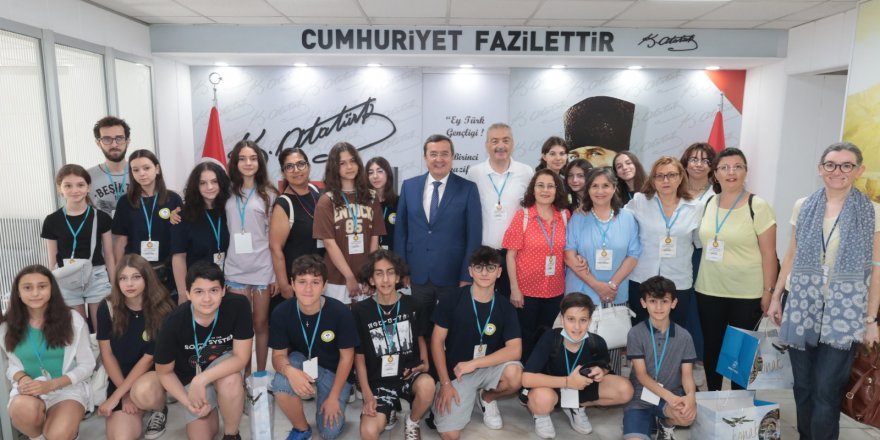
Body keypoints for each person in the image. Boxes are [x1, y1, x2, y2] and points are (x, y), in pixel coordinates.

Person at [768, 142, 880, 440]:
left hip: (845, 311)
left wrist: (871, 320)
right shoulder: (804, 205)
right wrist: (776, 297)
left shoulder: (872, 212)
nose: (837, 171)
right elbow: (790, 255)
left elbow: (877, 268)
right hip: (801, 304)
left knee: (826, 388)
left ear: (858, 170)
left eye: (846, 165)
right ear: (820, 169)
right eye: (830, 164)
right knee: (803, 386)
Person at [694, 148, 777, 392]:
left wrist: (769, 292)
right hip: (709, 289)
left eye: (737, 167)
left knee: (741, 354)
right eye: (724, 167)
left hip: (746, 293)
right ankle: (714, 400)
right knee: (712, 348)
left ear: (745, 172)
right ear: (715, 174)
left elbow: (769, 254)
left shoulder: (757, 205)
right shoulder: (709, 203)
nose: (731, 172)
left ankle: (740, 406)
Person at [154, 262, 253, 440]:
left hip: (221, 371)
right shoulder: (173, 322)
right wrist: (188, 402)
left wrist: (201, 380)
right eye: (199, 291)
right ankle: (214, 403)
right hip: (191, 378)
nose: (207, 299)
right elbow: (164, 372)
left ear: (223, 290)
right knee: (200, 436)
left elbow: (241, 358)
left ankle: (231, 435)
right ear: (188, 294)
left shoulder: (238, 306)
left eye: (213, 290)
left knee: (230, 381)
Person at [431, 246, 523, 439]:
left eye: (490, 268)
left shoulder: (505, 306)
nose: (484, 273)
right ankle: (452, 395)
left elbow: (515, 350)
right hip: (457, 373)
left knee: (515, 375)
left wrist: (474, 363)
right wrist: (445, 383)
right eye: (479, 267)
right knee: (450, 434)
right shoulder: (452, 298)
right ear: (470, 271)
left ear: (499, 272)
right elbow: (436, 342)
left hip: (487, 367)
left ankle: (487, 398)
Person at [269, 255, 358, 440]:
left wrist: (333, 397)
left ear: (324, 285)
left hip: (334, 371)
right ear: (292, 284)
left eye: (315, 282)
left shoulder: (340, 312)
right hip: (301, 361)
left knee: (329, 432)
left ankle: (338, 394)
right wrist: (290, 372)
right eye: (302, 282)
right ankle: (302, 429)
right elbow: (277, 356)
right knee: (281, 383)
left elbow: (347, 358)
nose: (308, 289)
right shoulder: (281, 312)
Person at [394, 134, 482, 321]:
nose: (439, 159)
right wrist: (402, 270)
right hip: (417, 274)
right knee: (419, 326)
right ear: (425, 157)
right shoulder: (409, 186)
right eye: (433, 154)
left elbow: (474, 236)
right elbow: (401, 232)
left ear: (452, 157)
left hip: (453, 274)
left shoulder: (468, 189)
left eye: (444, 154)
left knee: (451, 325)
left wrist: (467, 274)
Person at [1, 265, 95, 440]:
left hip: (66, 389)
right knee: (22, 409)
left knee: (58, 435)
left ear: (52, 289)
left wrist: (51, 385)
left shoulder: (72, 319)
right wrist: (23, 378)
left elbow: (87, 365)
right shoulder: (6, 326)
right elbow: (11, 366)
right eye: (27, 287)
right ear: (18, 293)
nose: (35, 293)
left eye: (42, 286)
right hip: (30, 392)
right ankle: (37, 437)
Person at [523, 294, 633, 439]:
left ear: (590, 321)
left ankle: (576, 406)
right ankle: (541, 415)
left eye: (583, 320)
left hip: (581, 388)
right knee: (542, 399)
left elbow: (605, 365)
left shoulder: (596, 341)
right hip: (551, 388)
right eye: (571, 319)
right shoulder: (550, 338)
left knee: (625, 389)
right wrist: (568, 382)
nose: (577, 326)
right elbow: (526, 379)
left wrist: (601, 371)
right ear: (562, 319)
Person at [565, 167, 641, 373]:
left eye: (605, 185)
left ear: (614, 188)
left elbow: (634, 254)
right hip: (582, 292)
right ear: (588, 189)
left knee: (611, 348)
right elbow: (569, 254)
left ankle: (610, 385)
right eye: (595, 186)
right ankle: (577, 388)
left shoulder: (627, 218)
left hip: (614, 294)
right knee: (578, 348)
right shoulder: (578, 217)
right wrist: (597, 285)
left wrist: (611, 285)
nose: (600, 191)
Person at [353, 250, 434, 440]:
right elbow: (359, 356)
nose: (385, 279)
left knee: (428, 385)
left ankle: (412, 421)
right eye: (379, 273)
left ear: (398, 276)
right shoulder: (360, 311)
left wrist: (425, 364)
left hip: (408, 375)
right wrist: (367, 394)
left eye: (390, 272)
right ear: (371, 279)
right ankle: (388, 410)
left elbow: (420, 337)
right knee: (369, 432)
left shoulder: (413, 305)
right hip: (379, 382)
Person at [96, 255, 174, 440]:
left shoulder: (163, 309)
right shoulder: (107, 307)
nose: (129, 284)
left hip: (152, 376)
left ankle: (158, 408)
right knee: (121, 437)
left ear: (147, 278)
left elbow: (148, 359)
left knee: (143, 392)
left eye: (136, 277)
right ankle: (136, 400)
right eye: (123, 278)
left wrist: (117, 397)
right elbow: (107, 355)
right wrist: (123, 395)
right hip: (119, 377)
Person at [502, 169, 569, 360]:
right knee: (525, 338)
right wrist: (514, 289)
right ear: (533, 189)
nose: (545, 190)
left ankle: (541, 373)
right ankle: (523, 374)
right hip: (526, 292)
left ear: (557, 190)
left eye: (550, 186)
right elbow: (510, 256)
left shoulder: (564, 216)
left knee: (548, 338)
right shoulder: (522, 217)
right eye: (540, 185)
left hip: (555, 291)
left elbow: (569, 251)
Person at [625, 156, 700, 326]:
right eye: (659, 176)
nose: (665, 180)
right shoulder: (640, 201)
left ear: (681, 177)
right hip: (643, 279)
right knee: (641, 332)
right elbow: (616, 218)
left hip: (678, 282)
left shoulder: (695, 207)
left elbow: (699, 241)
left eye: (671, 175)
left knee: (674, 333)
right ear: (653, 180)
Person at [224, 140, 278, 373]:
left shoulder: (270, 194)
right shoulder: (226, 192)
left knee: (261, 323)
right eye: (243, 158)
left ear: (260, 162)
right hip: (235, 269)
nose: (248, 163)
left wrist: (275, 274)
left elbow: (274, 237)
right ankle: (244, 375)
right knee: (242, 327)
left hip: (263, 269)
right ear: (235, 163)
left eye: (253, 158)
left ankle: (260, 374)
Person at [623, 275, 697, 440]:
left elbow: (687, 375)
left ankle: (665, 424)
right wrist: (670, 397)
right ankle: (646, 422)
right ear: (643, 303)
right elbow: (641, 375)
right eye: (652, 301)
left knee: (687, 416)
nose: (658, 307)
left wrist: (690, 396)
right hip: (640, 398)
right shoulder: (635, 333)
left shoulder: (684, 336)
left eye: (664, 301)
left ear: (673, 303)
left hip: (671, 396)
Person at [42, 164, 114, 330]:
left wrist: (114, 283)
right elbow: (52, 259)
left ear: (88, 187)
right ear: (60, 189)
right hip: (66, 278)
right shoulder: (52, 221)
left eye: (80, 185)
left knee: (102, 329)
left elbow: (109, 255)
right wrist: (50, 285)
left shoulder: (101, 217)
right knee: (78, 330)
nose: (75, 190)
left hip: (96, 276)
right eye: (68, 185)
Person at [466, 123, 534, 299]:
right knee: (483, 302)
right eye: (495, 141)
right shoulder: (474, 173)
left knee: (513, 303)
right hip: (484, 253)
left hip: (516, 254)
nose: (500, 146)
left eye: (506, 140)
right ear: (486, 145)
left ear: (513, 144)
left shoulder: (526, 172)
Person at [314, 142, 385, 305]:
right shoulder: (326, 200)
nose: (349, 167)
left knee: (365, 318)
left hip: (366, 277)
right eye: (342, 163)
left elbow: (374, 239)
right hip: (337, 278)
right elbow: (329, 243)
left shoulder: (371, 197)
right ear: (334, 168)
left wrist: (370, 274)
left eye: (352, 161)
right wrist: (349, 276)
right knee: (340, 319)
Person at [111, 149, 183, 297]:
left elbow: (181, 240)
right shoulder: (125, 202)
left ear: (157, 169)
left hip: (167, 271)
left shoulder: (173, 199)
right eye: (136, 170)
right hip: (136, 272)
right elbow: (120, 241)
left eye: (146, 168)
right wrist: (120, 273)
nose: (141, 174)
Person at [171, 161, 231, 305]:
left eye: (214, 181)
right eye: (202, 183)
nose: (209, 187)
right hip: (198, 289)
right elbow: (179, 257)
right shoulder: (183, 215)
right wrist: (183, 293)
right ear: (195, 186)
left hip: (230, 284)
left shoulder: (231, 210)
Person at [679, 142, 717, 367]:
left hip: (705, 255)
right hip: (678, 253)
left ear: (712, 166)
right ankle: (682, 355)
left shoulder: (717, 195)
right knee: (683, 304)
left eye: (705, 160)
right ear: (685, 163)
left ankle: (699, 357)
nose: (699, 164)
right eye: (694, 159)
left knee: (700, 305)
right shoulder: (675, 190)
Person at [269, 147, 324, 302]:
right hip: (297, 282)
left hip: (319, 277)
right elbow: (275, 248)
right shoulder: (284, 204)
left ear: (308, 166)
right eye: (289, 166)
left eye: (300, 164)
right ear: (283, 172)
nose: (296, 170)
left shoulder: (316, 192)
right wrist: (284, 285)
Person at [88, 116, 131, 216]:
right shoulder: (87, 177)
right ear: (98, 143)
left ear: (127, 141)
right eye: (107, 139)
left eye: (119, 138)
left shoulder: (143, 174)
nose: (114, 145)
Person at [366, 156, 398, 251]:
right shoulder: (362, 203)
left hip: (393, 255)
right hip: (368, 255)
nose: (375, 176)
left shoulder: (399, 202)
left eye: (380, 171)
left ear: (388, 174)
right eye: (370, 172)